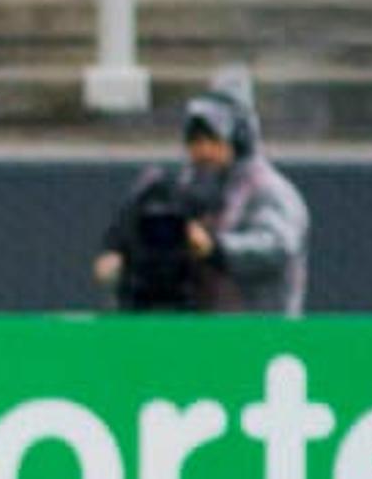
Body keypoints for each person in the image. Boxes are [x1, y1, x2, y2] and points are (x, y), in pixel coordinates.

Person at [93, 67, 309, 314]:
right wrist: (118, 251)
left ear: (238, 141)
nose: (203, 151)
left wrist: (215, 248)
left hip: (259, 332)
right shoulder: (179, 187)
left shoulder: (268, 190)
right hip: (199, 331)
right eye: (195, 141)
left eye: (213, 141)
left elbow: (277, 247)